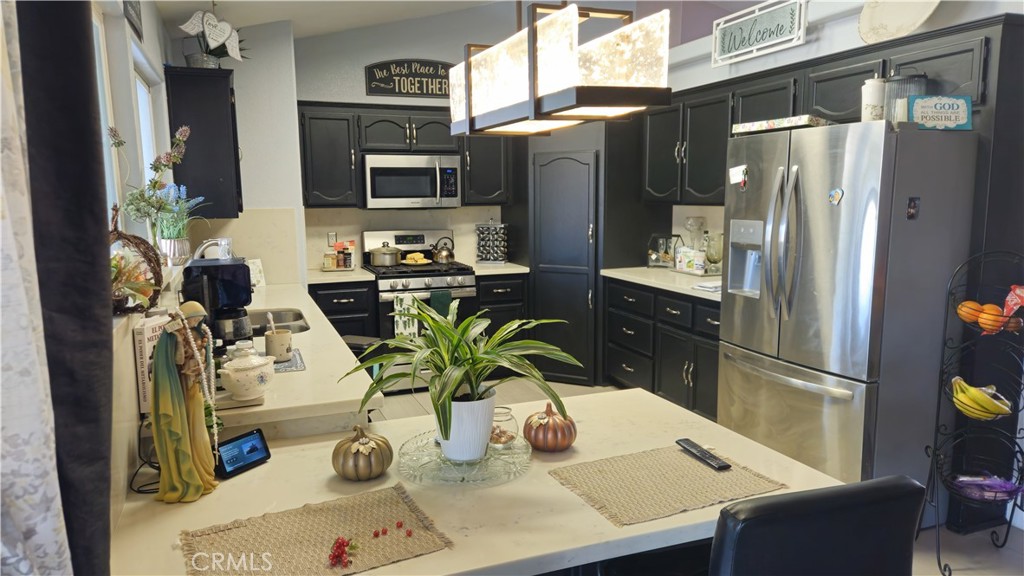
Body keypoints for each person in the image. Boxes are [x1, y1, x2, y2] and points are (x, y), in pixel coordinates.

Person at [150, 301, 219, 503]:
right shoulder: (173, 336)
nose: (196, 322)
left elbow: (203, 361)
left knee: (198, 433)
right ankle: (187, 477)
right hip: (180, 391)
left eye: (198, 319)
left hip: (193, 388)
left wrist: (201, 358)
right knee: (187, 431)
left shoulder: (198, 336)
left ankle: (202, 471)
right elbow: (178, 361)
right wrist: (180, 341)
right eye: (193, 319)